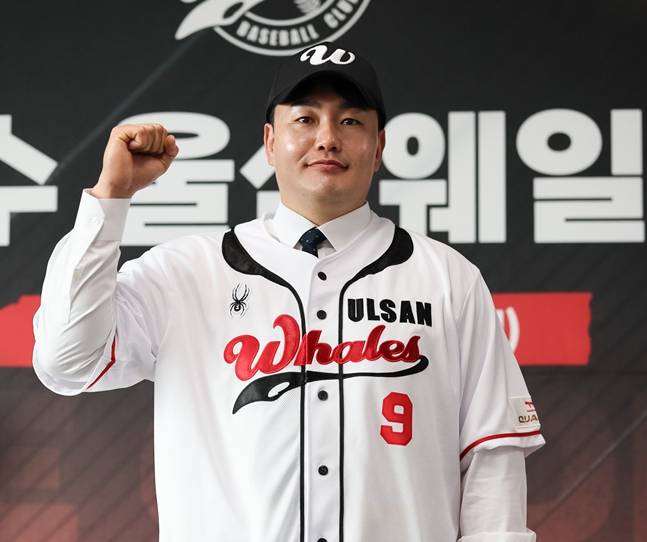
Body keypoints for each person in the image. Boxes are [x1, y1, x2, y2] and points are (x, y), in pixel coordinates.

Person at [33, 41, 545, 541]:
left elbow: (492, 460)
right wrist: (110, 197)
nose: (327, 138)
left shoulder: (447, 278)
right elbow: (67, 361)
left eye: (351, 121)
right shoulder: (185, 272)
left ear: (379, 147)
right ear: (271, 142)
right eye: (304, 118)